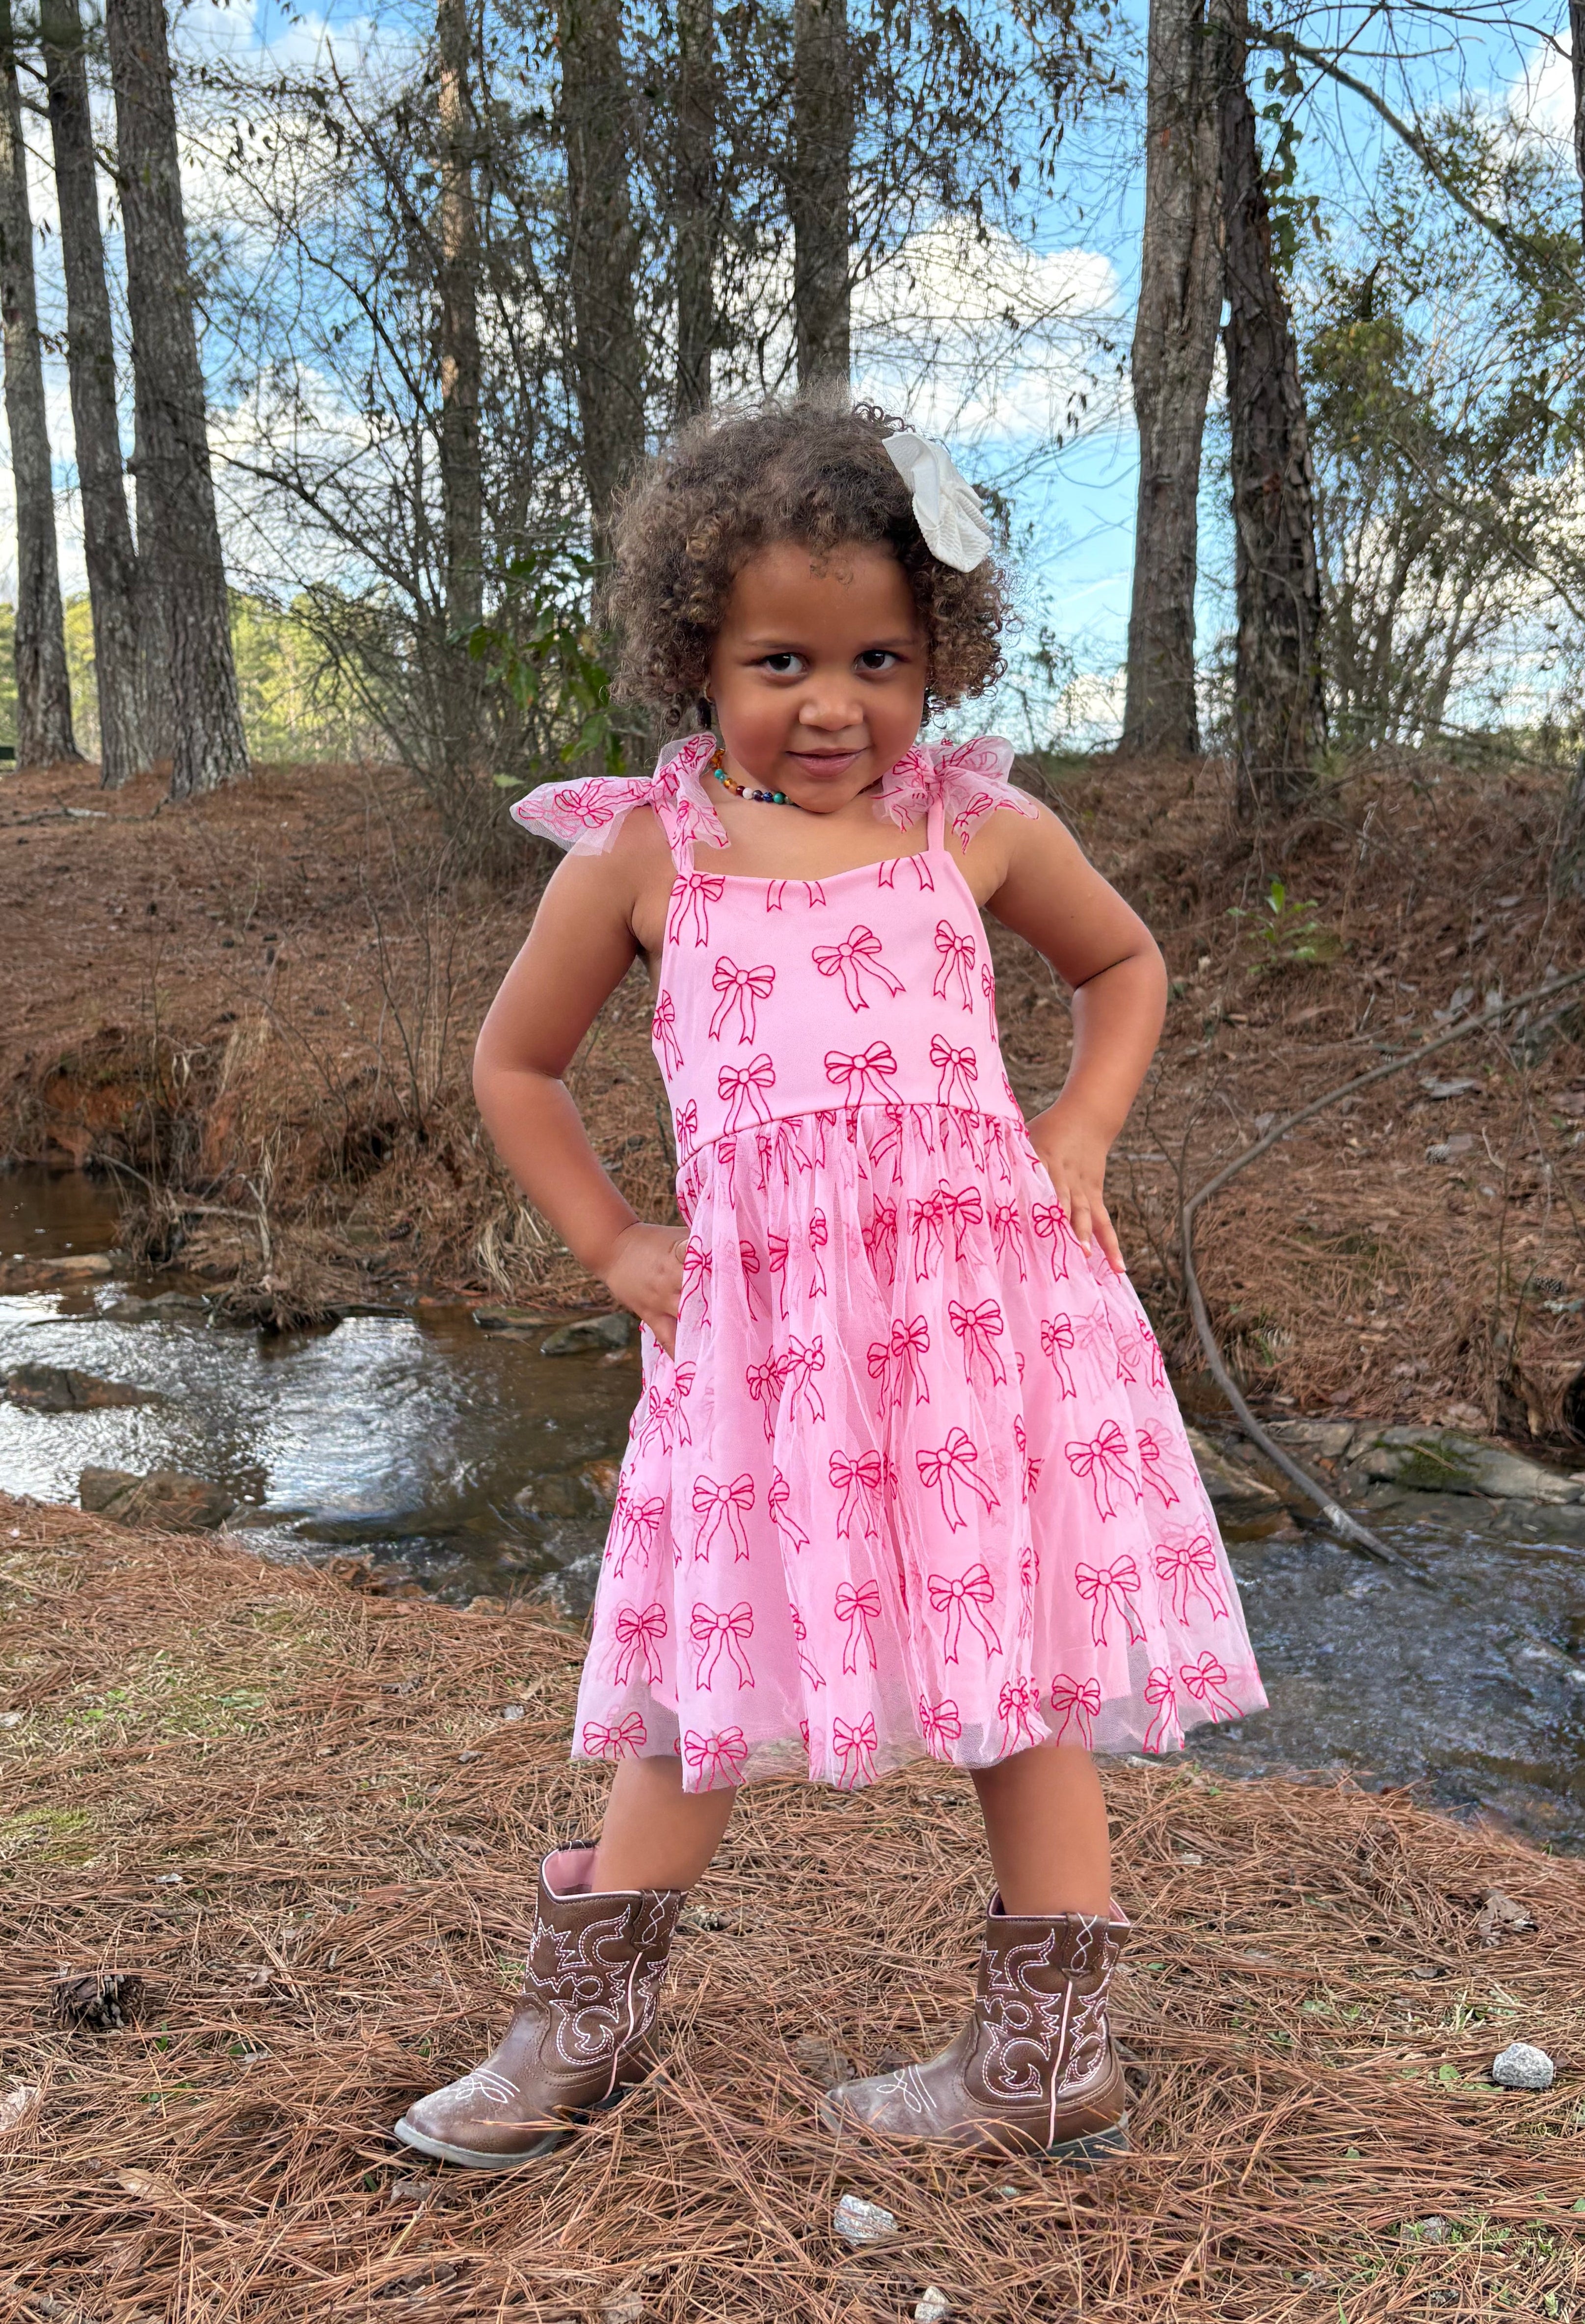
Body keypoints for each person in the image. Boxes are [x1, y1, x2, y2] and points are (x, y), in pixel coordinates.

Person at [397, 402, 1265, 2173]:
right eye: (779, 659)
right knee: (706, 1664)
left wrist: (1079, 1133)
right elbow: (516, 1065)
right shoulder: (647, 853)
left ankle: (1048, 2059)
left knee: (1019, 1671)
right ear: (694, 657)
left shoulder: (978, 831)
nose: (832, 704)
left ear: (938, 652)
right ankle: (585, 2027)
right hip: (766, 1337)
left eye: (880, 657)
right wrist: (613, 1241)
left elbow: (1124, 965)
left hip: (973, 1326)